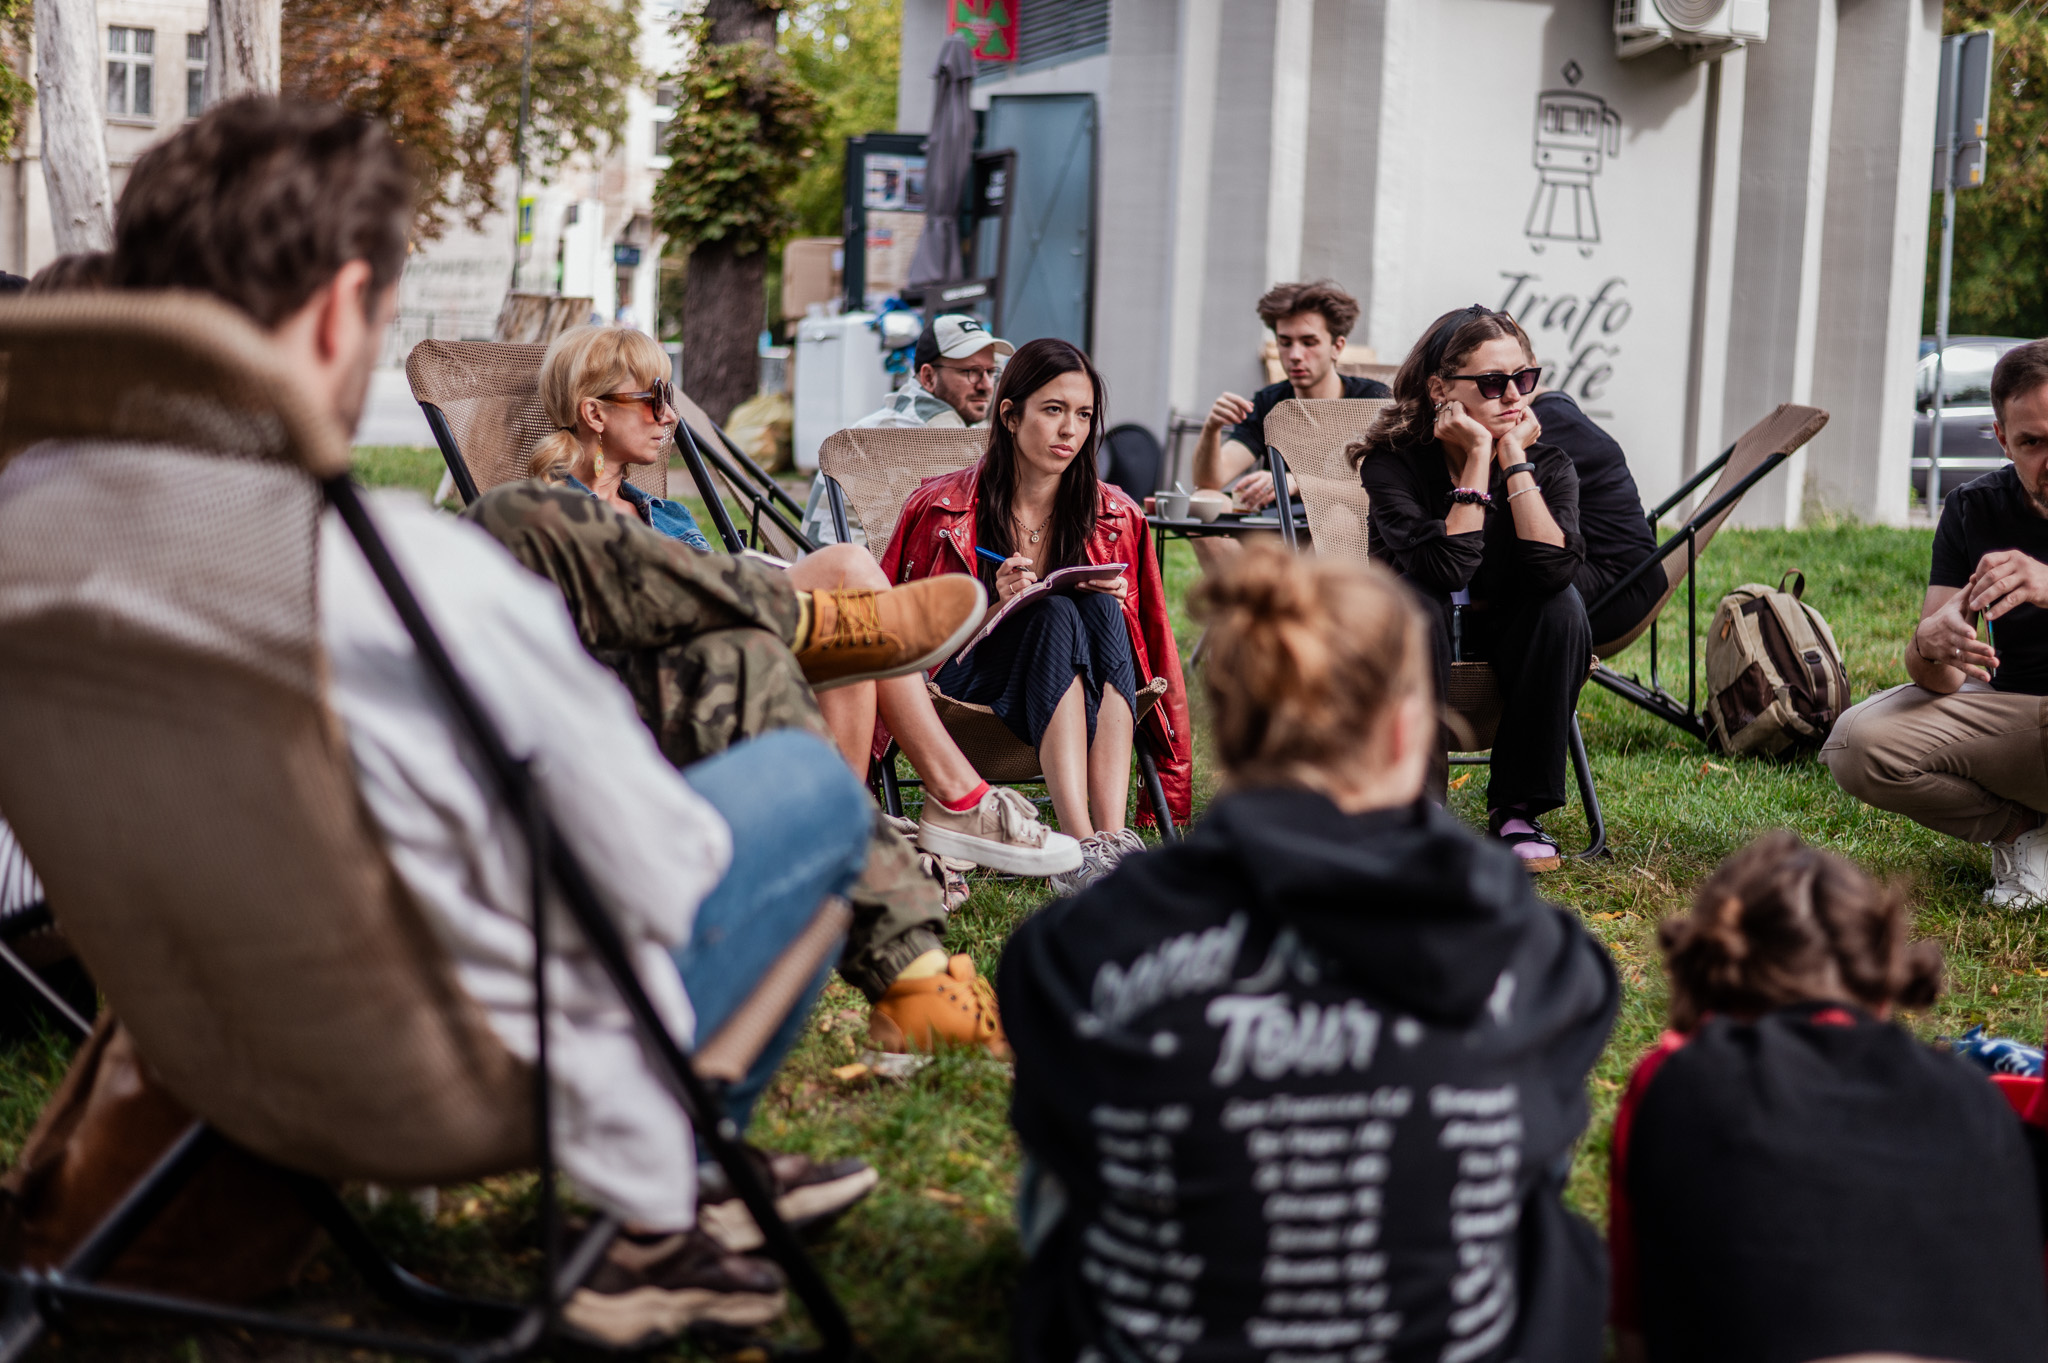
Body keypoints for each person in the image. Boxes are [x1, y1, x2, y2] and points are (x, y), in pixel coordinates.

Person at [93, 96, 892, 1344]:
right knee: (813, 796)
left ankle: (675, 1192)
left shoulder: (50, 547)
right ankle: (661, 1206)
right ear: (337, 312)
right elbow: (653, 867)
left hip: (207, 1037)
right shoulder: (415, 573)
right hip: (452, 1068)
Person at [999, 545, 1620, 1363]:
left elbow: (1053, 1109)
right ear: (1408, 731)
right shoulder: (1533, 951)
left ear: (1228, 734)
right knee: (1539, 1180)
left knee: (1060, 1167)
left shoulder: (1079, 946)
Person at [520, 324, 1084, 900]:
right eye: (653, 398)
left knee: (853, 635)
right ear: (594, 413)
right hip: (655, 690)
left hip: (735, 660)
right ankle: (952, 795)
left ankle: (844, 833)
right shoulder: (547, 514)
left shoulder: (667, 516)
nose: (669, 415)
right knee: (851, 571)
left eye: (669, 396)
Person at [1609, 832, 2048, 1363]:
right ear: (1884, 984)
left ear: (1708, 978)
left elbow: (1635, 1333)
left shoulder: (1678, 1077)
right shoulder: (1977, 1098)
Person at [879, 338, 1193, 894]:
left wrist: (1116, 600)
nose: (1070, 430)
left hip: (1081, 690)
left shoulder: (1114, 514)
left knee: (1099, 607)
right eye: (1053, 410)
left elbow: (1155, 647)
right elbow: (897, 638)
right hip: (963, 695)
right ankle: (1075, 848)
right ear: (1010, 415)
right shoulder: (940, 508)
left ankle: (1110, 841)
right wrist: (993, 606)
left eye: (1084, 415)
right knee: (1051, 612)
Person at [1353, 305, 1591, 871]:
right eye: (1491, 382)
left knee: (1561, 607)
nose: (1513, 396)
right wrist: (1479, 456)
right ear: (1441, 389)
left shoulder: (1548, 464)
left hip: (1508, 639)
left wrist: (1514, 461)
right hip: (1408, 639)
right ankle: (1418, 807)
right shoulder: (1392, 466)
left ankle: (1517, 810)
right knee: (1417, 600)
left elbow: (1553, 571)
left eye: (1524, 379)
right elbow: (1446, 569)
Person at [1824, 339, 2048, 907]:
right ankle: (2024, 833)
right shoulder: (1974, 508)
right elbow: (1942, 677)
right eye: (2033, 443)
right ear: (2002, 439)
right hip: (2017, 719)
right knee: (1857, 744)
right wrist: (1929, 646)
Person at [1187, 280, 1389, 569]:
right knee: (1205, 500)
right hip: (1274, 528)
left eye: (1309, 342)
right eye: (1285, 342)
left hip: (1346, 529)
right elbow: (1210, 481)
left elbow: (1382, 492)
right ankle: (1248, 596)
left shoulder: (1371, 401)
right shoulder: (1270, 402)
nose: (1295, 355)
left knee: (1339, 520)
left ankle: (1307, 597)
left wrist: (1295, 483)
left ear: (1337, 346)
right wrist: (1212, 429)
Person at [800, 312, 1012, 546]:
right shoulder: (936, 434)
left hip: (831, 557)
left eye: (991, 372)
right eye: (970, 372)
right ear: (928, 377)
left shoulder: (897, 418)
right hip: (854, 566)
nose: (986, 386)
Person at [1530, 388, 1664, 648]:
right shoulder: (1559, 411)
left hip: (1622, 586)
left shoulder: (1550, 422)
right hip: (1630, 573)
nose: (1510, 392)